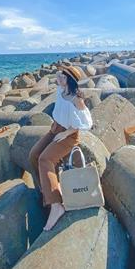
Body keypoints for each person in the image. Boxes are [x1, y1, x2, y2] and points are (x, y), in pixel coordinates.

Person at [28, 65, 93, 231]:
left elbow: (87, 122)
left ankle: (56, 205)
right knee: (34, 155)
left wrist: (67, 133)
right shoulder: (61, 89)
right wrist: (62, 72)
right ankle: (47, 190)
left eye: (64, 77)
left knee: (45, 159)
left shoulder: (76, 99)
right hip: (55, 128)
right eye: (60, 76)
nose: (60, 78)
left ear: (70, 81)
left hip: (68, 135)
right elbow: (57, 74)